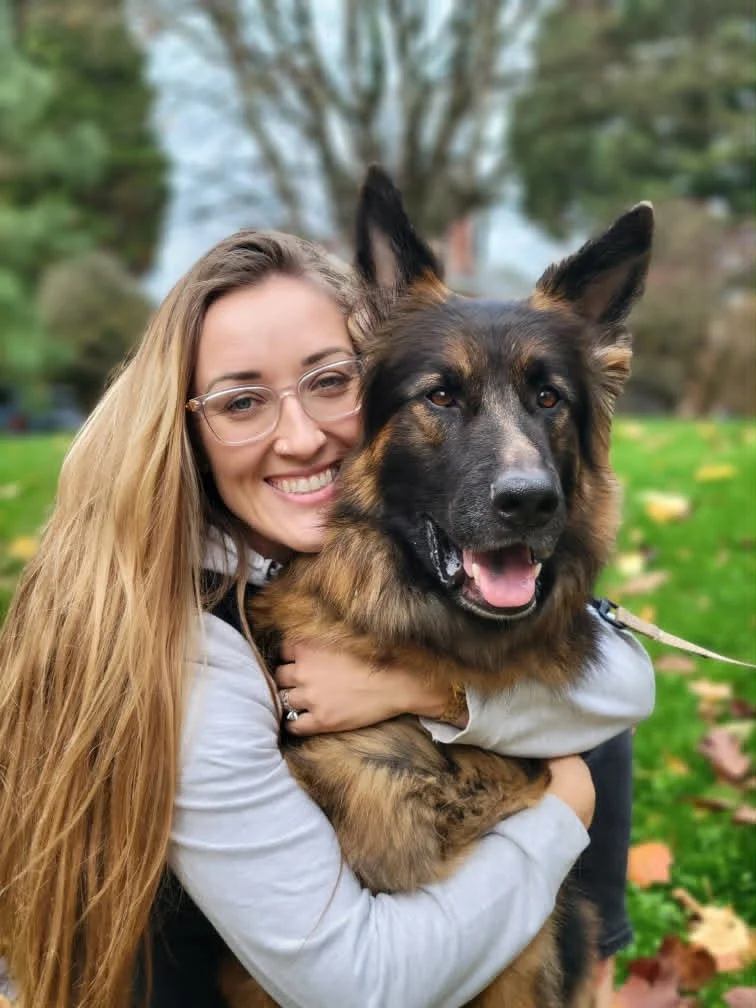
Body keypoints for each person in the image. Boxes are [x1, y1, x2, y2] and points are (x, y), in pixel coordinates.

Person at [0, 228, 654, 1008]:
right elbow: (356, 986)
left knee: (575, 710)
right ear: (184, 426)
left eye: (330, 381)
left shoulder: (339, 566)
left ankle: (593, 984)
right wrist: (561, 815)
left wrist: (425, 693)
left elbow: (618, 683)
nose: (303, 436)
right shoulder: (191, 655)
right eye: (242, 401)